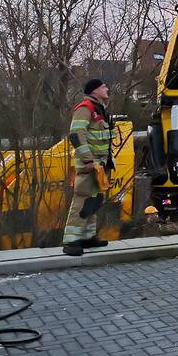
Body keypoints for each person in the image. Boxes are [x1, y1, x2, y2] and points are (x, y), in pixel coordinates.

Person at [62, 79, 114, 256]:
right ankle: (71, 241)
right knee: (82, 201)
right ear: (94, 90)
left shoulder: (99, 109)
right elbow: (76, 135)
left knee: (94, 200)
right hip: (89, 165)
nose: (107, 88)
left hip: (99, 165)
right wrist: (87, 160)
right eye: (103, 86)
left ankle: (87, 237)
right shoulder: (85, 108)